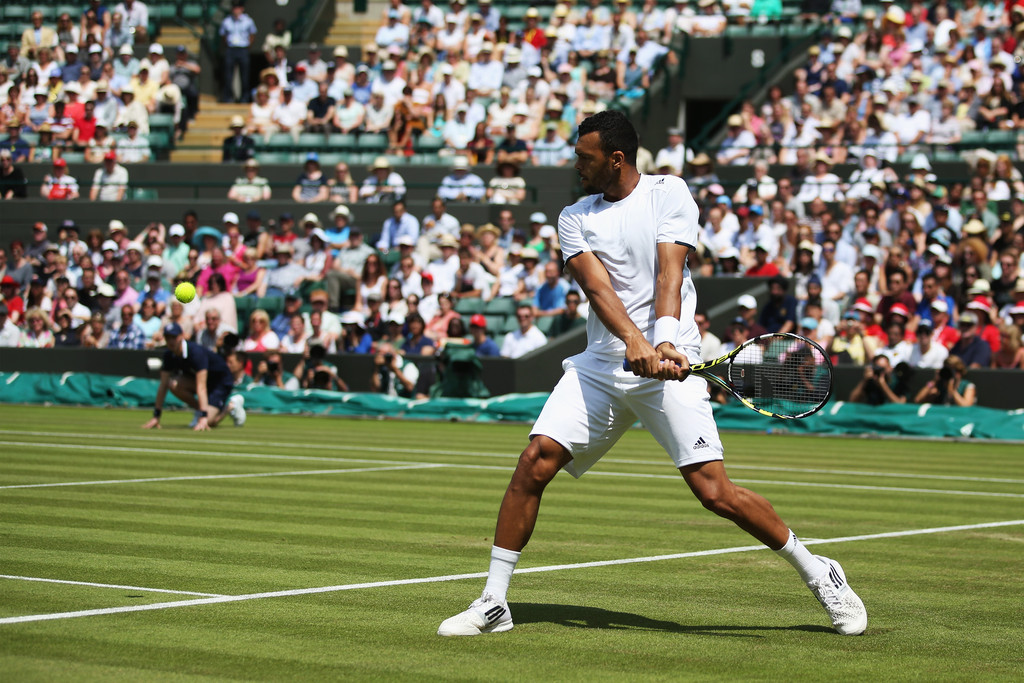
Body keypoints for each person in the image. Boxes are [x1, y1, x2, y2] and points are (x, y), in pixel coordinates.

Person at [438, 111, 866, 638]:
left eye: (585, 158)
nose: (577, 165)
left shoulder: (670, 192)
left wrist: (662, 340)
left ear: (616, 159)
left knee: (714, 493)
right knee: (534, 460)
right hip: (600, 366)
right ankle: (494, 602)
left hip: (674, 361)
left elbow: (670, 271)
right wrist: (635, 342)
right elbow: (599, 290)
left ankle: (819, 571)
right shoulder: (574, 216)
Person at [142, 323, 246, 430]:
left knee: (210, 422)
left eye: (174, 337)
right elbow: (163, 385)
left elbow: (201, 387)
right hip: (202, 382)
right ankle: (202, 410)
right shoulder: (169, 355)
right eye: (168, 337)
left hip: (220, 382)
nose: (171, 341)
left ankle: (230, 406)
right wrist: (156, 416)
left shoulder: (196, 353)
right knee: (173, 384)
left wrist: (204, 417)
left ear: (181, 336)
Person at [219, 0, 257, 103]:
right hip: (231, 49)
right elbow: (223, 36)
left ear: (242, 9)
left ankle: (244, 98)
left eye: (238, 8)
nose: (236, 10)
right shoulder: (226, 21)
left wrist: (248, 46)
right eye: (234, 8)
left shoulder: (248, 21)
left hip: (243, 49)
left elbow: (252, 34)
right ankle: (228, 97)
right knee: (228, 75)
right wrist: (228, 45)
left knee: (244, 75)